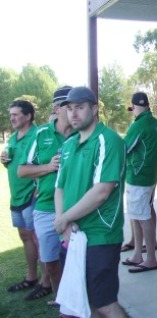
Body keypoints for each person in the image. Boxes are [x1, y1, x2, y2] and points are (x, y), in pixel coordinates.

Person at [53, 86, 127, 318]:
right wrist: (61, 220)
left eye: (80, 108)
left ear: (94, 109)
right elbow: (59, 188)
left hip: (100, 234)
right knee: (80, 301)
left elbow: (102, 191)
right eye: (70, 108)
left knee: (104, 303)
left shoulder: (108, 140)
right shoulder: (68, 145)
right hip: (71, 234)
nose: (73, 114)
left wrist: (65, 217)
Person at [18, 86, 74, 305]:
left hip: (76, 209)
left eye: (75, 106)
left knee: (76, 259)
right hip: (45, 208)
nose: (71, 111)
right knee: (50, 261)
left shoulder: (84, 134)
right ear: (56, 108)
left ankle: (78, 299)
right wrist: (49, 167)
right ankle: (61, 299)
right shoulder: (42, 134)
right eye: (66, 107)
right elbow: (22, 170)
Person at [2, 100, 53, 301]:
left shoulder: (38, 135)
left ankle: (46, 282)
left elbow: (44, 163)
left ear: (28, 116)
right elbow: (17, 164)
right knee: (25, 237)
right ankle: (32, 277)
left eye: (16, 114)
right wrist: (5, 161)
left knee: (38, 239)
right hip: (17, 196)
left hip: (32, 197)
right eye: (11, 114)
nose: (12, 118)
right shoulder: (14, 138)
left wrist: (38, 187)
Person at [121, 92, 157, 273]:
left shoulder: (138, 125)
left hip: (137, 176)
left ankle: (148, 258)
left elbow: (124, 148)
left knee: (140, 216)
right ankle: (139, 252)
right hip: (151, 175)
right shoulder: (156, 124)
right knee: (142, 212)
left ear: (135, 106)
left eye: (132, 108)